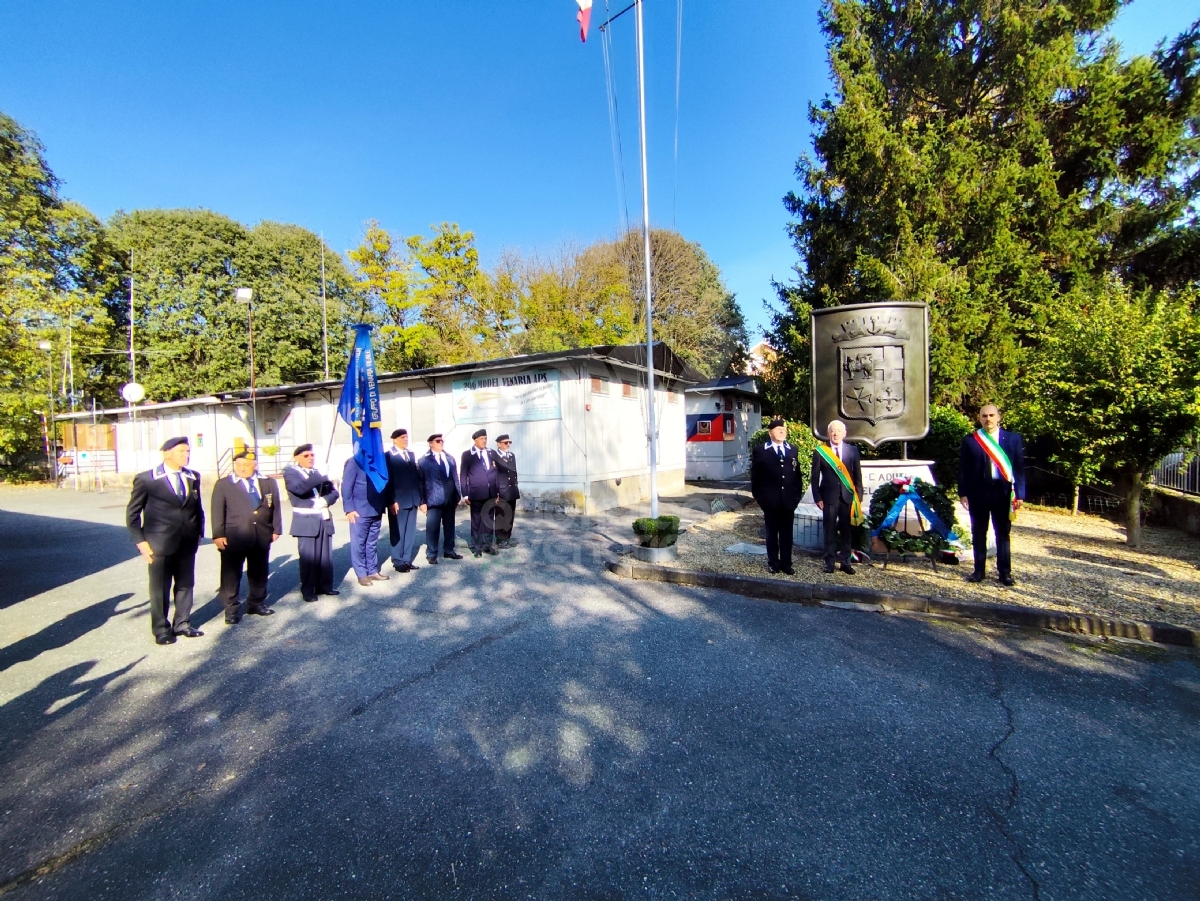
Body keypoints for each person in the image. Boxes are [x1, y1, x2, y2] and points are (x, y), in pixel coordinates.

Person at [126, 436, 205, 645]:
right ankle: (161, 629)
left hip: (187, 542)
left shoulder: (192, 476)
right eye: (181, 452)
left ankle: (182, 623)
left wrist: (199, 534)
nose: (186, 455)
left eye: (188, 451)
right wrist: (141, 542)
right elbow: (133, 514)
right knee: (160, 588)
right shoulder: (148, 479)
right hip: (158, 543)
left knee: (185, 584)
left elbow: (198, 509)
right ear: (166, 453)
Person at [210, 449, 282, 624]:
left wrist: (276, 529)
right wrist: (218, 534)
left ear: (255, 465)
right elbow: (217, 511)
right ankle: (231, 608)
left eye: (247, 465)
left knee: (259, 571)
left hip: (261, 534)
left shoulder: (267, 482)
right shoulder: (224, 484)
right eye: (239, 465)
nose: (242, 468)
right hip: (234, 536)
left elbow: (276, 507)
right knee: (231, 574)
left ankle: (256, 603)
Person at [959, 404, 1026, 586]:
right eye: (984, 416)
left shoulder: (1013, 439)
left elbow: (1019, 469)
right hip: (978, 493)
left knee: (1002, 533)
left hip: (1003, 493)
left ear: (998, 417)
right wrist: (963, 492)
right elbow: (964, 469)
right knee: (979, 532)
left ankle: (1005, 573)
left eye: (991, 415)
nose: (988, 419)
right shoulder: (971, 440)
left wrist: (1019, 493)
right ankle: (978, 571)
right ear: (979, 418)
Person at [283, 444, 340, 603]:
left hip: (323, 516)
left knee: (325, 556)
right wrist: (318, 476)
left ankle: (325, 586)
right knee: (308, 557)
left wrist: (325, 500)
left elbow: (334, 492)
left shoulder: (317, 472)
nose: (310, 458)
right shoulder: (291, 472)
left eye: (311, 455)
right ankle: (308, 589)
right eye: (306, 456)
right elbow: (299, 489)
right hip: (306, 519)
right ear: (297, 458)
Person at [811, 419, 865, 575]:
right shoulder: (820, 452)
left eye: (838, 431)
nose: (835, 433)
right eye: (832, 431)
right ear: (828, 434)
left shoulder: (852, 451)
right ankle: (829, 563)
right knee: (829, 531)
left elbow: (857, 476)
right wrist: (817, 497)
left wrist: (858, 497)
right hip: (828, 498)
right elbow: (814, 478)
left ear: (844, 433)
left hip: (848, 497)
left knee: (846, 531)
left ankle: (846, 563)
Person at [750, 418, 803, 575]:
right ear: (770, 432)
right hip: (770, 501)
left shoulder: (792, 450)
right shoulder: (761, 450)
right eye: (778, 429)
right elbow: (755, 477)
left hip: (788, 501)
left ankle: (786, 563)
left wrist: (796, 497)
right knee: (772, 534)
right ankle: (773, 562)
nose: (782, 431)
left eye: (784, 429)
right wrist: (760, 499)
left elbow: (797, 476)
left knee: (787, 534)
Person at [343, 454, 389, 587]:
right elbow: (346, 487)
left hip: (376, 508)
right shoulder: (354, 462)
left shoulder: (377, 461)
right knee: (359, 543)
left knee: (371, 543)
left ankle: (372, 570)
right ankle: (362, 574)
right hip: (360, 510)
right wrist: (349, 509)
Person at [417, 434, 463, 564]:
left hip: (449, 498)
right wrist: (422, 502)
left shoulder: (449, 458)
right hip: (433, 499)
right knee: (433, 527)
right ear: (430, 443)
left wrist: (458, 494)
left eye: (442, 441)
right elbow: (420, 482)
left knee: (449, 526)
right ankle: (431, 553)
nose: (441, 443)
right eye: (438, 441)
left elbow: (455, 477)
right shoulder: (423, 461)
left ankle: (449, 550)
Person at [386, 428, 425, 573]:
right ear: (394, 439)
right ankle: (397, 560)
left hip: (412, 499)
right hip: (398, 501)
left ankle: (406, 559)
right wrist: (390, 500)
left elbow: (415, 478)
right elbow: (387, 481)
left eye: (407, 437)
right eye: (402, 437)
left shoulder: (410, 455)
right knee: (398, 531)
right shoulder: (389, 456)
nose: (405, 440)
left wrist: (420, 499)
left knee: (410, 531)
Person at [460, 428, 500, 557]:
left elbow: (497, 474)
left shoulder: (491, 453)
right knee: (477, 521)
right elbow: (463, 475)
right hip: (476, 493)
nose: (484, 441)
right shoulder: (468, 455)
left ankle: (487, 546)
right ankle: (476, 547)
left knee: (488, 521)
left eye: (486, 438)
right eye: (482, 439)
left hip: (491, 493)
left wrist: (498, 492)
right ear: (475, 440)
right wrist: (465, 494)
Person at [493, 434, 520, 548]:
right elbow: (493, 475)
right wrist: (496, 493)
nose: (508, 444)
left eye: (509, 442)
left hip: (512, 490)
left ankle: (507, 538)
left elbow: (514, 472)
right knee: (501, 515)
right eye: (505, 443)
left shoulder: (511, 455)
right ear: (498, 444)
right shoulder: (494, 456)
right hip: (501, 491)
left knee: (510, 515)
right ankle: (500, 539)